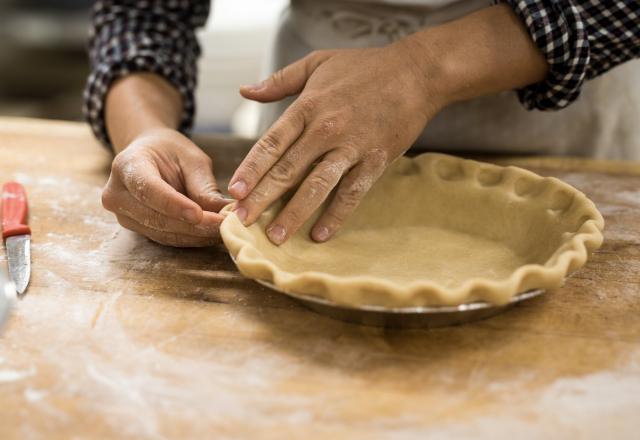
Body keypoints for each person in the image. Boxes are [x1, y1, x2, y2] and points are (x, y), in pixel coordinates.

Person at [84, 0, 639, 248]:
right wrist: (143, 132)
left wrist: (420, 70)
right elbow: (144, 14)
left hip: (555, 118)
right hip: (312, 115)